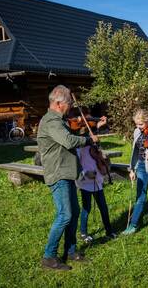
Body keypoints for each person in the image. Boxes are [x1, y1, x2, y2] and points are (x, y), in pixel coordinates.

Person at [37, 85, 98, 271]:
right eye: (68, 105)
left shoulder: (59, 121)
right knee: (65, 215)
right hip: (58, 173)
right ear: (57, 103)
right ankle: (49, 256)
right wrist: (88, 140)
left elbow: (69, 136)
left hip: (67, 172)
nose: (70, 108)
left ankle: (71, 251)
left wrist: (86, 132)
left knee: (74, 214)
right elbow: (68, 141)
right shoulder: (51, 122)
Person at [75, 118, 117, 243]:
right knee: (86, 208)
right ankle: (83, 233)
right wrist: (85, 174)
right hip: (85, 182)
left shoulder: (95, 145)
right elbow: (76, 168)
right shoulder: (79, 149)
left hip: (97, 181)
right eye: (91, 135)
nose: (94, 137)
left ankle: (109, 231)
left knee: (103, 207)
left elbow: (100, 156)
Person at [122, 109, 148, 236]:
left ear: (147, 121)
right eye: (136, 124)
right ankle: (133, 224)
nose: (138, 127)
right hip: (140, 166)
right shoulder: (136, 132)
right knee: (140, 197)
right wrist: (132, 169)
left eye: (140, 124)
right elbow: (134, 152)